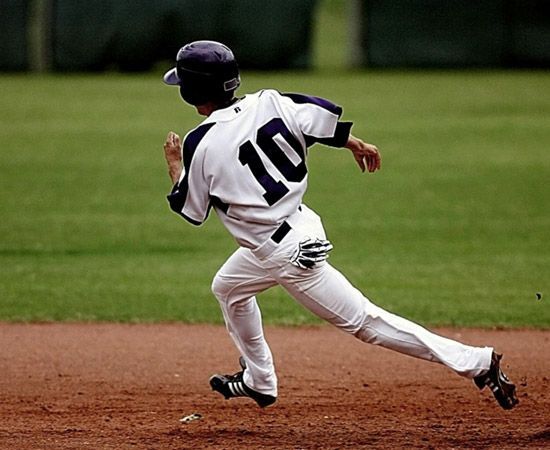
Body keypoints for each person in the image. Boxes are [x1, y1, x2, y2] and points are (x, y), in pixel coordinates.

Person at [161, 40, 518, 410]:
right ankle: (260, 380)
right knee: (228, 289)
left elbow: (191, 210)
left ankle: (476, 362)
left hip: (283, 253)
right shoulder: (270, 100)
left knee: (366, 322)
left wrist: (175, 164)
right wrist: (354, 143)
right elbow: (317, 119)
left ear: (192, 91)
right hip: (298, 228)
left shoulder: (199, 142)